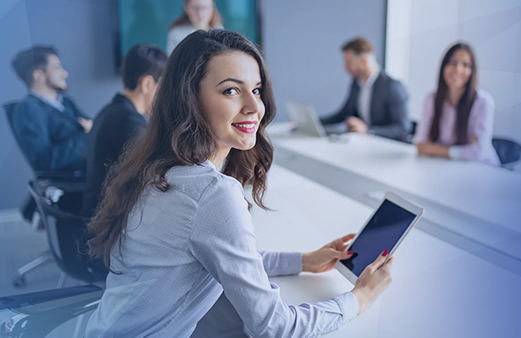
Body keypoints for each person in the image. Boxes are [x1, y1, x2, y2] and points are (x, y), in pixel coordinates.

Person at [84, 30, 393, 338]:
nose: (254, 106)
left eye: (256, 90)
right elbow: (276, 327)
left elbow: (227, 256)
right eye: (231, 91)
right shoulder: (209, 193)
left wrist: (303, 260)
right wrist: (358, 298)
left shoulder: (158, 167)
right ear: (189, 98)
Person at [84, 44, 168, 216]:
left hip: (97, 210)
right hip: (112, 218)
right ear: (146, 84)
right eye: (164, 87)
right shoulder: (129, 122)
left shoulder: (110, 110)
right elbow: (148, 177)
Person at [413, 43, 500, 166]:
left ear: (472, 71)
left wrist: (434, 148)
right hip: (449, 167)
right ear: (444, 66)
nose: (458, 69)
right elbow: (421, 145)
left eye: (465, 65)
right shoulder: (432, 99)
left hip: (483, 169)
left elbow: (478, 153)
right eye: (453, 62)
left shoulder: (483, 101)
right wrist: (464, 151)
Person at [10, 45, 92, 172]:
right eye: (57, 68)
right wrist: (88, 135)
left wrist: (90, 131)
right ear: (39, 75)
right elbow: (44, 161)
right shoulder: (28, 109)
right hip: (72, 183)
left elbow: (92, 125)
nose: (65, 73)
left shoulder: (66, 102)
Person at [320, 37, 411, 142]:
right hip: (366, 145)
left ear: (363, 60)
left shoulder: (392, 87)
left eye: (349, 62)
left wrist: (369, 131)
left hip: (388, 147)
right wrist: (313, 122)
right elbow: (343, 114)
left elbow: (403, 128)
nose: (345, 68)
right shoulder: (356, 84)